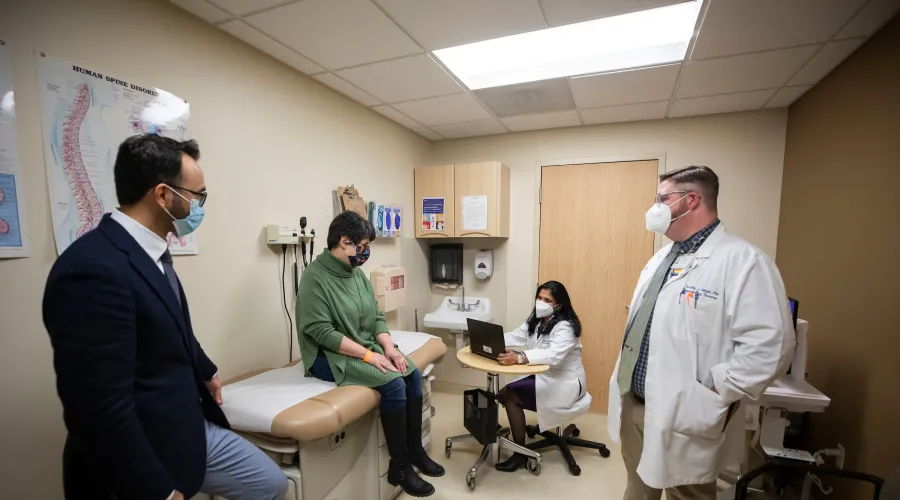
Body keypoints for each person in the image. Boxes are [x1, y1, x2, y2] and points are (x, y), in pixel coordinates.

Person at [43, 134, 287, 500]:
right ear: (162, 195)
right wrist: (159, 491)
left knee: (270, 484)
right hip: (137, 446)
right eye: (197, 196)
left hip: (183, 422)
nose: (200, 205)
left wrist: (204, 368)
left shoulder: (152, 252)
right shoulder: (92, 270)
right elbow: (98, 411)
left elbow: (167, 321)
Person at [608, 165, 795, 500]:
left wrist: (716, 386)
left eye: (663, 199)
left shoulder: (743, 261)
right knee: (638, 488)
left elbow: (772, 347)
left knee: (689, 493)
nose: (656, 207)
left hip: (687, 409)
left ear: (691, 200)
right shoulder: (661, 258)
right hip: (635, 402)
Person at [297, 211, 444, 497]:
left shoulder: (356, 274)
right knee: (393, 383)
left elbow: (376, 316)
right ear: (343, 242)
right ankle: (399, 467)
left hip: (362, 346)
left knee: (411, 373)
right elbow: (321, 332)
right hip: (328, 357)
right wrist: (368, 357)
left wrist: (388, 348)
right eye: (363, 245)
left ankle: (415, 452)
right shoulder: (314, 278)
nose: (366, 252)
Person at [494, 281, 592, 472]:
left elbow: (553, 356)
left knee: (510, 397)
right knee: (504, 393)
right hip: (544, 376)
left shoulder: (565, 327)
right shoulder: (537, 319)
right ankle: (510, 440)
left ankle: (520, 454)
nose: (541, 302)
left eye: (548, 300)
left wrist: (521, 357)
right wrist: (493, 339)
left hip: (565, 383)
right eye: (539, 297)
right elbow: (517, 335)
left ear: (559, 305)